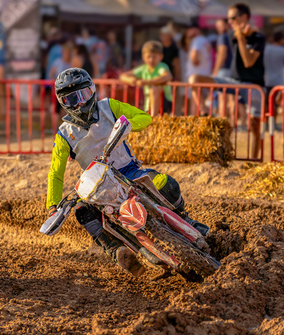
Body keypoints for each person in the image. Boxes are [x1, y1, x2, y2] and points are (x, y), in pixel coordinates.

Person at [46, 68, 209, 277]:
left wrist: (129, 124)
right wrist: (52, 206)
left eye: (83, 95)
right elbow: (55, 173)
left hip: (129, 170)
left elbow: (144, 117)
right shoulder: (64, 134)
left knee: (165, 183)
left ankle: (185, 219)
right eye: (70, 100)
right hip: (98, 186)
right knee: (82, 211)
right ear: (62, 102)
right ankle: (114, 250)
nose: (79, 103)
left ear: (92, 91)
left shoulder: (109, 106)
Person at [189, 3, 265, 159]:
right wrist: (242, 34)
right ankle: (203, 111)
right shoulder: (231, 35)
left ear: (244, 17)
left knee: (254, 127)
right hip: (232, 81)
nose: (229, 22)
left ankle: (254, 160)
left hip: (254, 85)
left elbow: (248, 61)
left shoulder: (259, 38)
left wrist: (243, 37)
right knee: (194, 79)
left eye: (232, 18)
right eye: (228, 18)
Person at [119, 41, 173, 116]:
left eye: (154, 57)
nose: (151, 60)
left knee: (153, 89)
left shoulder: (162, 66)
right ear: (143, 57)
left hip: (165, 103)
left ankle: (153, 118)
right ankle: (151, 116)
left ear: (161, 57)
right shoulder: (144, 68)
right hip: (148, 104)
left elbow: (168, 76)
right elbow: (123, 76)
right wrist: (131, 80)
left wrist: (146, 82)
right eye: (149, 57)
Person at [185, 22, 212, 115]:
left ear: (196, 30)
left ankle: (196, 119)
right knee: (199, 98)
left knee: (195, 100)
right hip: (203, 73)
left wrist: (194, 61)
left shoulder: (197, 40)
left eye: (189, 30)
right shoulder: (205, 40)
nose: (187, 32)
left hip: (195, 74)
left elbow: (194, 53)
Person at [264, 31, 284, 118]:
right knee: (276, 102)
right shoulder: (283, 50)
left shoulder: (266, 48)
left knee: (267, 102)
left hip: (267, 79)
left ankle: (266, 121)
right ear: (281, 39)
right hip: (278, 80)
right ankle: (273, 122)